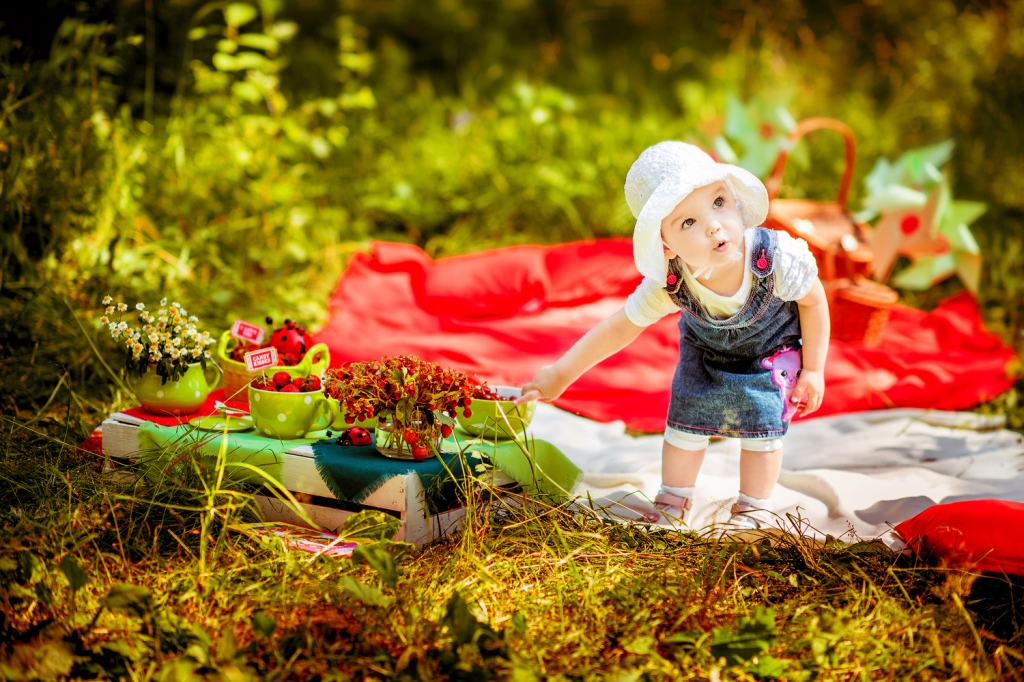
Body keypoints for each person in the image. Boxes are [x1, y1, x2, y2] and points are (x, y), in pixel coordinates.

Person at [517, 141, 829, 529]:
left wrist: (814, 370)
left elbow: (814, 302)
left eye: (718, 203)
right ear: (667, 246)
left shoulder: (776, 258)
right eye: (688, 223)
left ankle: (753, 505)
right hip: (707, 356)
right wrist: (560, 374)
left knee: (763, 431)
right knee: (684, 422)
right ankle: (674, 496)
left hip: (767, 354)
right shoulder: (672, 281)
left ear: (733, 199)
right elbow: (620, 326)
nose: (714, 225)